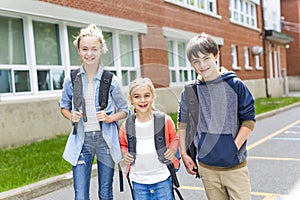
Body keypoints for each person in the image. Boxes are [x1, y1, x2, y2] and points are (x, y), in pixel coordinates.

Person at [177, 33, 256, 200]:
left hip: (235, 168)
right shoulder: (190, 90)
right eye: (195, 61)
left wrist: (232, 148)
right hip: (207, 168)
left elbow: (248, 121)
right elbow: (182, 123)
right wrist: (184, 154)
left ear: (216, 56)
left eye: (206, 58)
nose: (202, 65)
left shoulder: (235, 85)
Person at [59, 24, 130, 200]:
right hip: (82, 141)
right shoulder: (72, 78)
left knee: (105, 193)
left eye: (94, 49)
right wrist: (71, 115)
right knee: (80, 194)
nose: (89, 54)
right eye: (85, 49)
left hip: (105, 141)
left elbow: (125, 110)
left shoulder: (110, 80)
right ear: (79, 51)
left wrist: (109, 118)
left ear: (101, 50)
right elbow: (63, 106)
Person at [119, 78, 180, 200]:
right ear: (130, 100)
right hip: (138, 181)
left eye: (147, 95)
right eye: (137, 97)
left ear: (153, 96)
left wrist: (172, 150)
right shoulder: (127, 125)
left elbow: (174, 138)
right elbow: (123, 144)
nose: (142, 100)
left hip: (162, 178)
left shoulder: (164, 120)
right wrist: (125, 154)